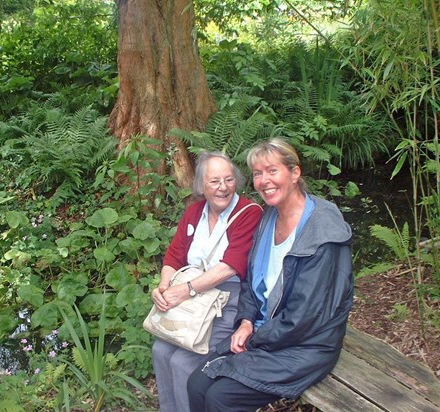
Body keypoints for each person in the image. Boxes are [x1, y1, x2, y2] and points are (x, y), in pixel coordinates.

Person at [187, 138, 354, 412]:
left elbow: (305, 316)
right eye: (257, 173)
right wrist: (244, 321)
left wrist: (254, 339)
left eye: (272, 170)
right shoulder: (268, 218)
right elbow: (252, 284)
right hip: (268, 333)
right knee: (197, 382)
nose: (264, 181)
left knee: (221, 398)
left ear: (295, 173)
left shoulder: (323, 231)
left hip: (307, 344)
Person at [151, 151, 263, 412]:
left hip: (227, 302)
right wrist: (165, 287)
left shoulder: (249, 213)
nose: (223, 187)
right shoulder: (193, 213)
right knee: (160, 350)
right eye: (214, 181)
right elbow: (174, 255)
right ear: (201, 185)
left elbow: (231, 266)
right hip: (191, 300)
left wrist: (186, 290)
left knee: (184, 362)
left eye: (229, 180)